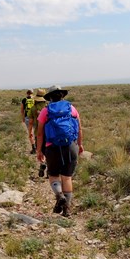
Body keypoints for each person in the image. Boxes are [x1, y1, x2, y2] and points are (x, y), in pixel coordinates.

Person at [36, 85, 83, 217]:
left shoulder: (46, 111)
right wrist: (80, 144)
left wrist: (39, 150)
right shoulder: (72, 109)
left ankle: (59, 195)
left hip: (52, 147)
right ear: (62, 95)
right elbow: (79, 128)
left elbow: (39, 134)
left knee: (53, 175)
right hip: (70, 146)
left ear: (50, 97)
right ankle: (66, 210)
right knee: (67, 177)